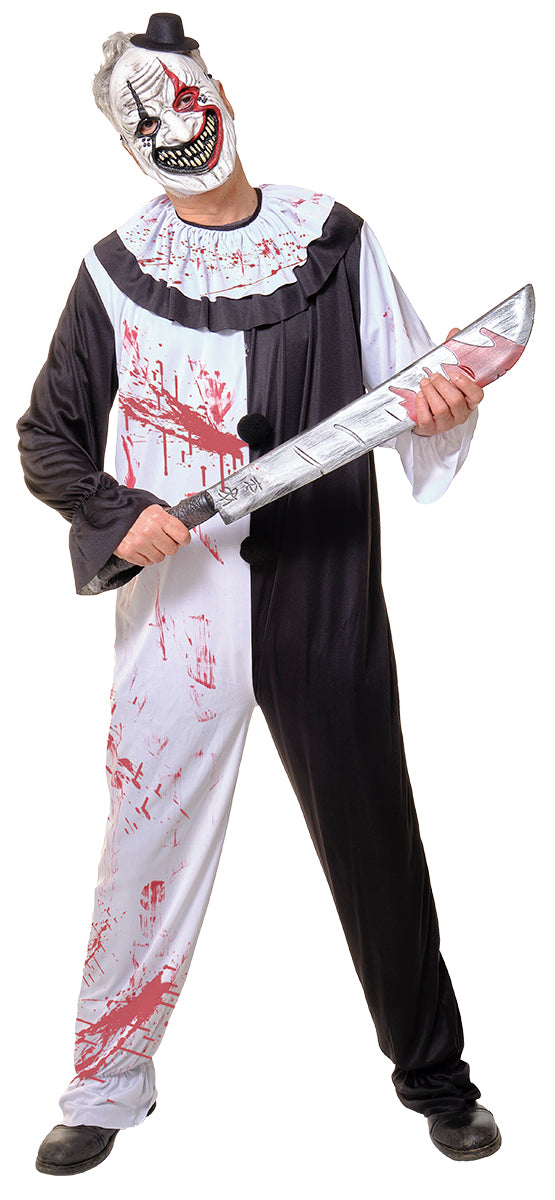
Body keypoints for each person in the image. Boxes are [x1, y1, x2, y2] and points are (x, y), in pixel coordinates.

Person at [18, 12, 501, 1176]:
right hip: (179, 608)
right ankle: (104, 1086)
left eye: (182, 96)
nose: (173, 125)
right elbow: (46, 437)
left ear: (223, 92)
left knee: (374, 829)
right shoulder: (113, 273)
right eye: (142, 119)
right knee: (144, 839)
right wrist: (116, 512)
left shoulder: (334, 240)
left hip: (325, 582)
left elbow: (415, 400)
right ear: (124, 145)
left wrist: (449, 406)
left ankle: (437, 1081)